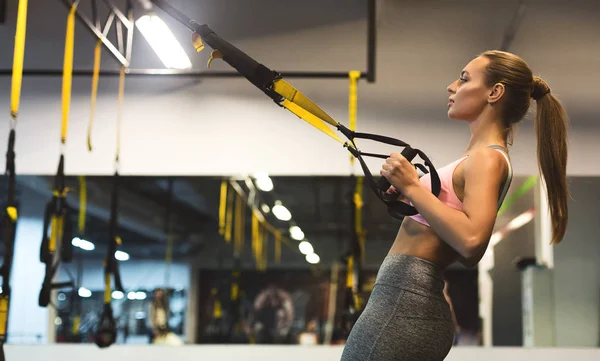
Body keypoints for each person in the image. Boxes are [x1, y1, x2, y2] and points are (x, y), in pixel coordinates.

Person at [340, 50, 569, 361]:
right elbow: (446, 227)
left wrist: (412, 187)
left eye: (463, 79)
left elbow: (472, 243)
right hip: (402, 299)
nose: (451, 87)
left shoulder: (487, 158)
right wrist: (409, 194)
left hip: (406, 303)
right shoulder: (476, 157)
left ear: (494, 92)